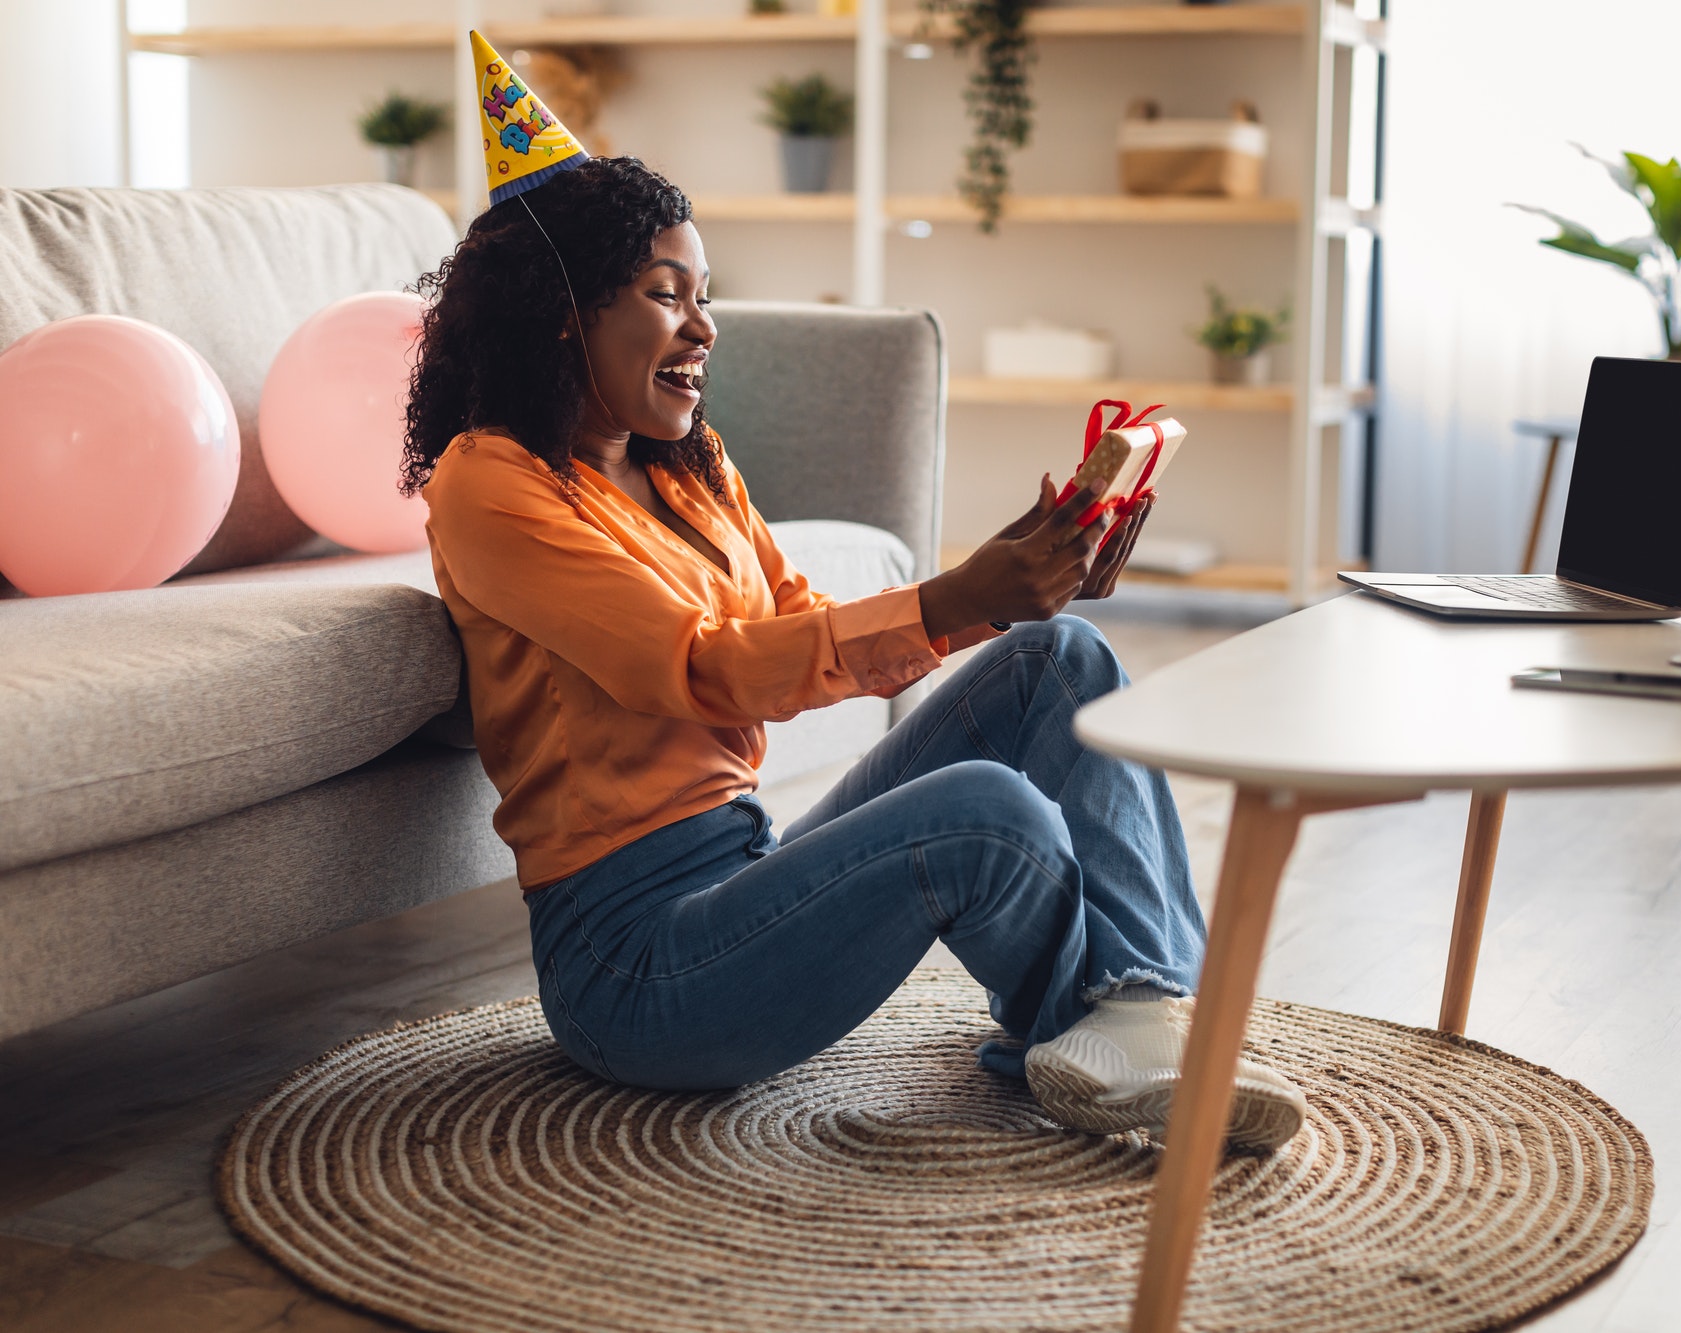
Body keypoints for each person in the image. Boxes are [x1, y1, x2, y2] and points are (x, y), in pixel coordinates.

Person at [401, 155, 1306, 1149]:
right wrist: (948, 598)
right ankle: (1110, 1029)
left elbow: (802, 616)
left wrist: (997, 590)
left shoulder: (687, 470)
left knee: (1060, 656)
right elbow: (703, 666)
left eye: (706, 297)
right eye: (666, 296)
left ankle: (1141, 1014)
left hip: (742, 863)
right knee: (984, 815)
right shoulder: (488, 482)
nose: (704, 328)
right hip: (630, 964)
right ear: (561, 312)